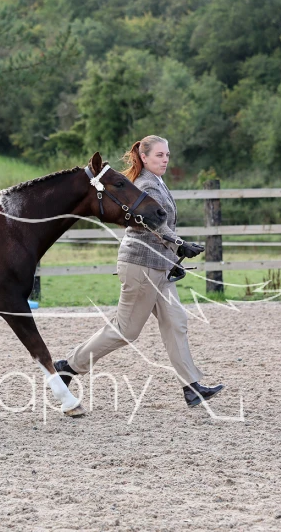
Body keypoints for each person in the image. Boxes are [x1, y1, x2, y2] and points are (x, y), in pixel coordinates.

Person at [55, 135, 224, 407]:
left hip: (159, 267)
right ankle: (68, 366)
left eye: (167, 155)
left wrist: (174, 254)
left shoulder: (157, 181)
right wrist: (179, 244)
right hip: (141, 266)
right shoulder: (146, 184)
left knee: (176, 322)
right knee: (125, 331)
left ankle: (192, 387)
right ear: (144, 158)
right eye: (159, 155)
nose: (165, 160)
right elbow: (154, 224)